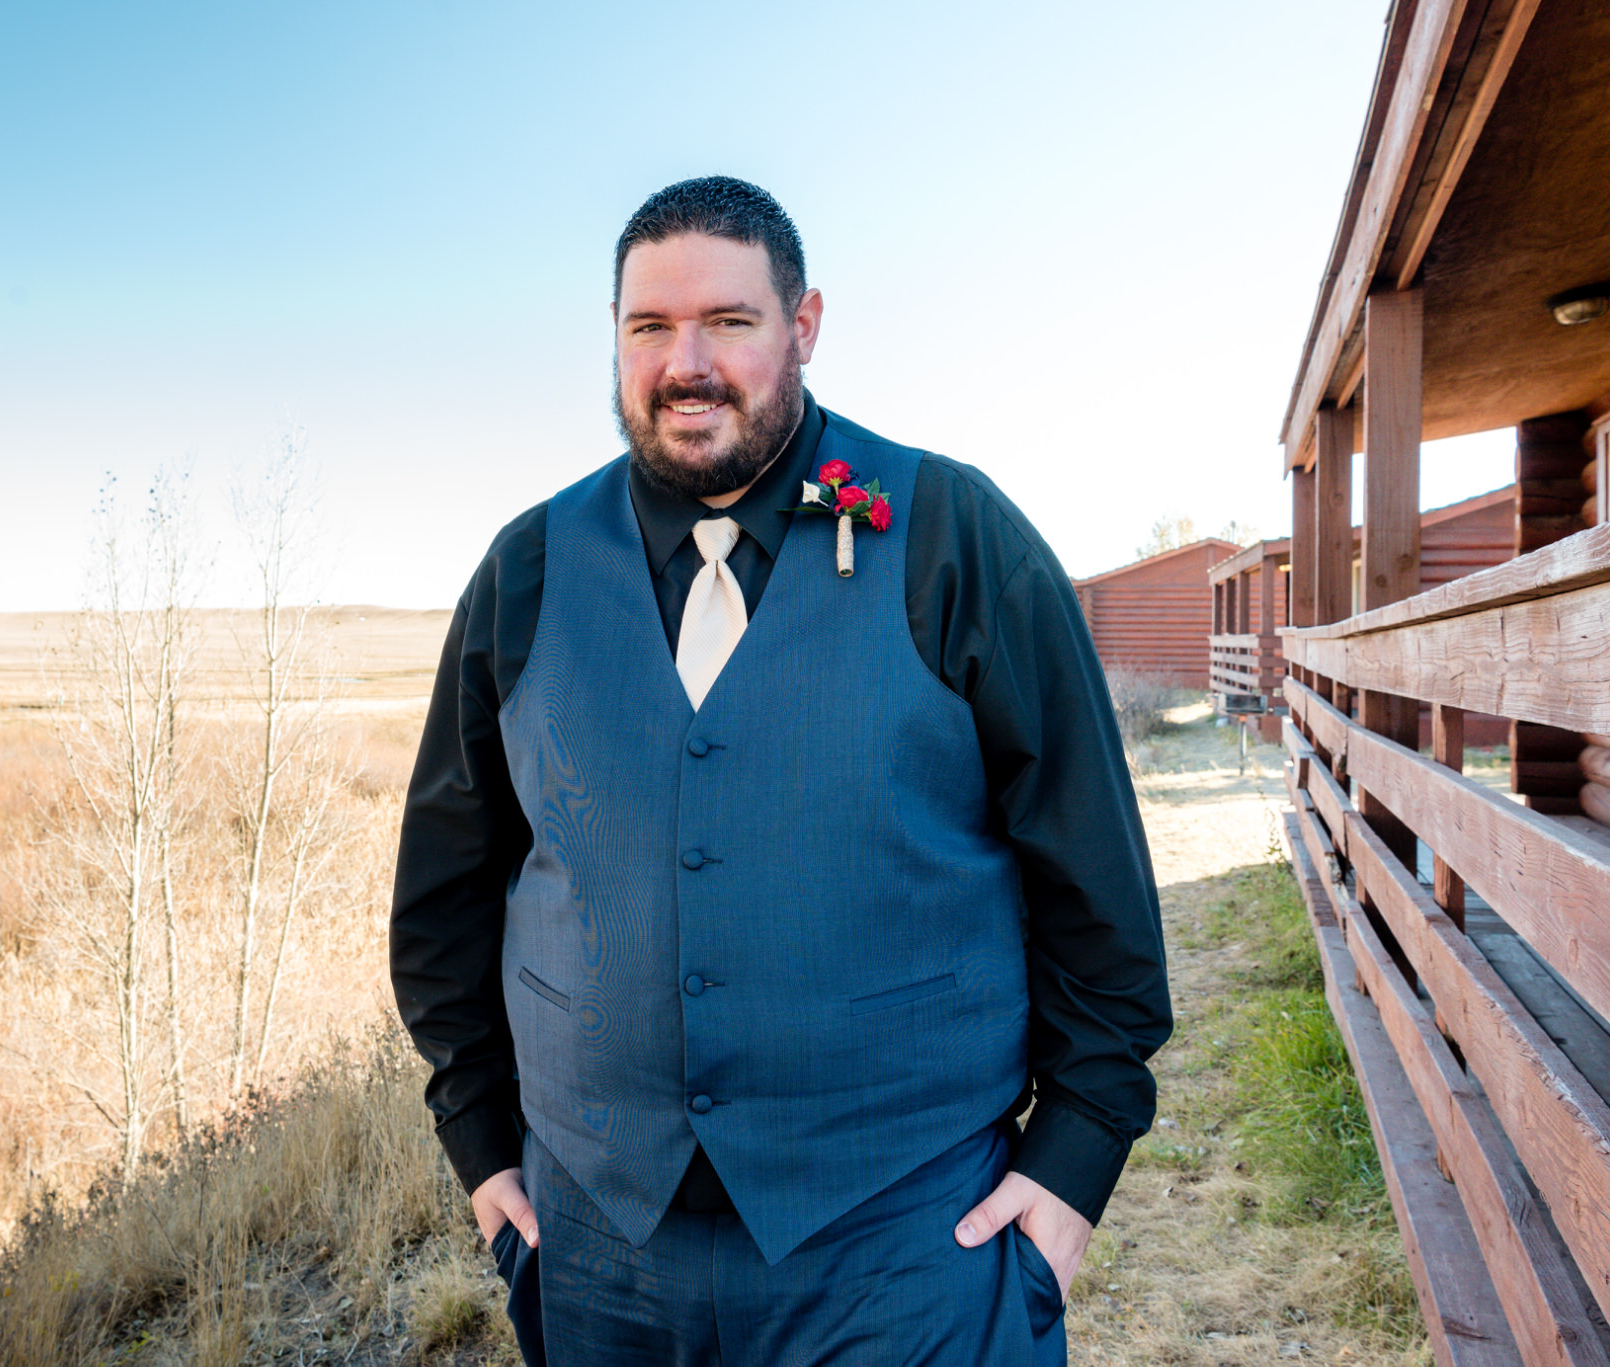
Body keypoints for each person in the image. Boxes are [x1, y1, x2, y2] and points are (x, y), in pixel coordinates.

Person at [390, 175, 1170, 1366]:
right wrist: (482, 1148)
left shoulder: (954, 537)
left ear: (802, 327)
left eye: (728, 322)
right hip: (597, 1252)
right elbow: (446, 887)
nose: (683, 362)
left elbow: (1093, 887)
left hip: (906, 1249)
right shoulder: (528, 569)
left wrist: (1072, 1160)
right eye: (647, 326)